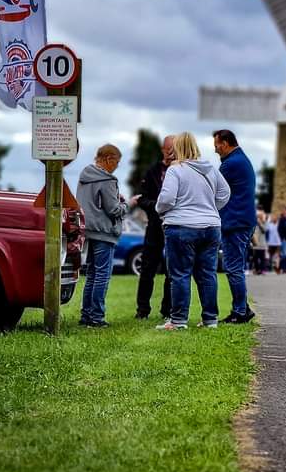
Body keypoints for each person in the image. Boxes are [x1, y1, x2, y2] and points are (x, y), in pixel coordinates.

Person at [155, 132, 231, 331]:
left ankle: (178, 320)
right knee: (207, 274)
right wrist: (210, 208)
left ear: (178, 148)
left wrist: (160, 210)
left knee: (180, 274)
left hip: (181, 225)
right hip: (211, 226)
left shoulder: (175, 170)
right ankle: (210, 320)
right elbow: (225, 193)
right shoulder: (210, 169)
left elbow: (167, 199)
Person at [76, 144, 128, 328]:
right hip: (104, 232)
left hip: (88, 230)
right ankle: (97, 317)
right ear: (108, 159)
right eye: (117, 162)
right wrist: (125, 205)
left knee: (91, 274)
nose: (117, 166)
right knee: (102, 275)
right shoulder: (107, 180)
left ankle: (86, 315)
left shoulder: (85, 176)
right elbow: (113, 210)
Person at [213, 129, 257, 324]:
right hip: (243, 220)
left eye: (217, 145)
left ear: (225, 143)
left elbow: (213, 188)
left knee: (233, 268)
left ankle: (240, 311)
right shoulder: (241, 159)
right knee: (236, 266)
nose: (215, 150)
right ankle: (242, 307)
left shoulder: (231, 164)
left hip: (235, 222)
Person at [130, 135, 174, 320]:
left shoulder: (182, 170)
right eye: (169, 150)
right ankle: (142, 309)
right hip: (155, 225)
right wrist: (157, 206)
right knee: (148, 268)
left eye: (175, 150)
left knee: (172, 269)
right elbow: (142, 198)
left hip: (174, 226)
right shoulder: (152, 171)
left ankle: (168, 309)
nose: (171, 153)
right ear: (163, 150)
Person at [252, 210, 269, 274]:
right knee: (255, 257)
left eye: (260, 216)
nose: (259, 217)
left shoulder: (264, 223)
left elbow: (264, 230)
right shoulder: (254, 223)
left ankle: (262, 269)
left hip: (262, 243)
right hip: (256, 243)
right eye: (258, 216)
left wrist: (260, 224)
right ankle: (257, 269)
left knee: (262, 258)